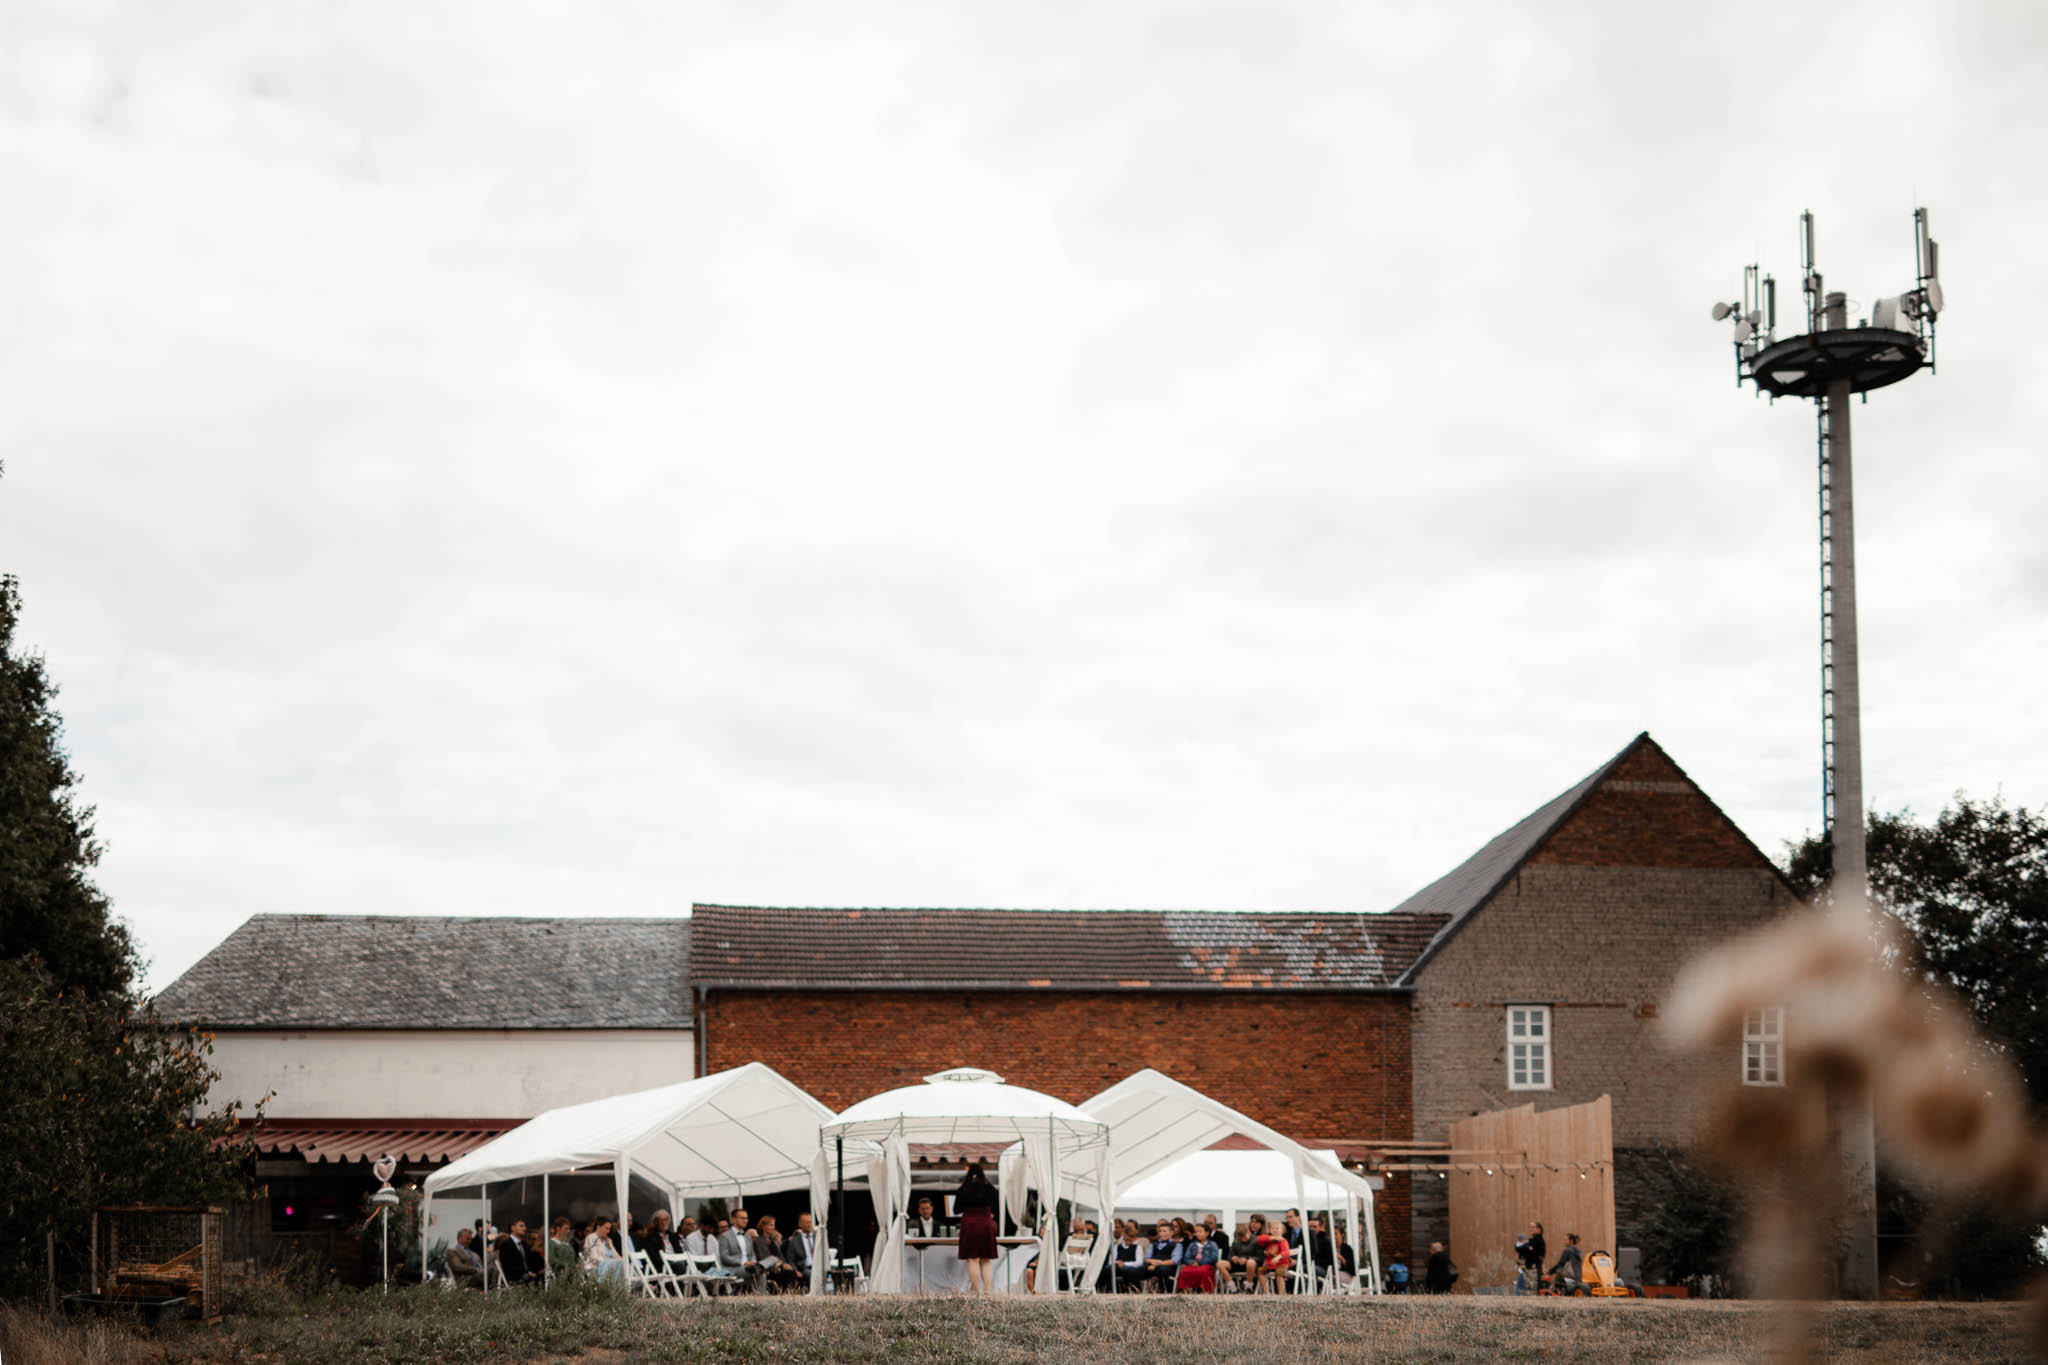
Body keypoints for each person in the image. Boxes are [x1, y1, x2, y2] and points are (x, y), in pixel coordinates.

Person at [954, 1163, 1000, 1295]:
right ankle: (987, 1291)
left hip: (969, 1225)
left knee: (972, 1259)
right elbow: (996, 1210)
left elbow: (956, 1209)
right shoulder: (990, 1188)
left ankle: (976, 1291)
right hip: (986, 1224)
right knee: (986, 1259)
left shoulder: (963, 1189)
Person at [721, 1207, 762, 1290]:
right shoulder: (725, 1236)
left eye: (746, 1218)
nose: (745, 1220)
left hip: (750, 1267)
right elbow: (724, 1257)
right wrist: (743, 1262)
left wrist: (753, 1262)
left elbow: (752, 1254)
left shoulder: (747, 1236)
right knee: (758, 1270)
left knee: (761, 1270)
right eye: (742, 1218)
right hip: (733, 1269)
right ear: (733, 1219)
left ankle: (761, 1297)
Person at [1224, 1214, 1268, 1291]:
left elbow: (1261, 1256)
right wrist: (1233, 1258)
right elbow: (1231, 1254)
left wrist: (1247, 1259)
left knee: (1251, 1263)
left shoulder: (1261, 1238)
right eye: (1252, 1222)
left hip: (1256, 1263)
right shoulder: (1239, 1236)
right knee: (1221, 1263)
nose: (1254, 1224)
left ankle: (1249, 1286)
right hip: (1239, 1263)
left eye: (1257, 1222)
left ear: (1262, 1224)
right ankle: (1232, 1286)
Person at [1174, 1222, 1221, 1293]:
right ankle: (1186, 1291)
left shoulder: (1212, 1244)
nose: (1197, 1234)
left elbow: (1214, 1257)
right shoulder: (1192, 1244)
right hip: (1193, 1265)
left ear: (1207, 1233)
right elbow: (1186, 1257)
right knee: (1185, 1271)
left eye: (1200, 1231)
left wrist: (1199, 1262)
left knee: (1204, 1271)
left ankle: (1205, 1291)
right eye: (1196, 1232)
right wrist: (1192, 1262)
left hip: (1207, 1265)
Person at [496, 1218, 540, 1285]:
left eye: (525, 1226)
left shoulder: (525, 1245)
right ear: (513, 1228)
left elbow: (531, 1261)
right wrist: (527, 1274)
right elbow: (508, 1266)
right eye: (521, 1226)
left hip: (528, 1277)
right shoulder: (506, 1245)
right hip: (516, 1279)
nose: (524, 1228)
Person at [582, 1216, 625, 1283]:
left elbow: (616, 1255)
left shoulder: (608, 1240)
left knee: (623, 1262)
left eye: (609, 1229)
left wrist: (619, 1259)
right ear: (598, 1227)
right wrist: (609, 1262)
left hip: (610, 1267)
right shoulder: (591, 1238)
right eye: (606, 1228)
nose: (608, 1231)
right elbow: (594, 1258)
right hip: (595, 1268)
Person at [783, 1212, 819, 1291]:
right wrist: (795, 1270)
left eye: (810, 1222)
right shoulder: (794, 1241)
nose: (809, 1225)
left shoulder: (818, 1238)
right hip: (804, 1268)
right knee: (810, 1274)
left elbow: (827, 1255)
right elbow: (790, 1260)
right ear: (800, 1224)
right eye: (806, 1222)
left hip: (819, 1266)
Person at [1142, 1219, 1181, 1291]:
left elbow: (1174, 1260)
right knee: (1138, 1269)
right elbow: (1147, 1258)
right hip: (1153, 1266)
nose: (1161, 1233)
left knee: (1162, 1270)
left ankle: (1164, 1292)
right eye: (1160, 1231)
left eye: (1164, 1231)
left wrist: (1157, 1264)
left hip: (1168, 1267)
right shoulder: (1153, 1243)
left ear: (1172, 1232)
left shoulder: (1177, 1245)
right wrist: (1153, 1263)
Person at [1107, 1222, 1147, 1292]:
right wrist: (1117, 1263)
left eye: (1131, 1237)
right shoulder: (1117, 1247)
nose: (1128, 1239)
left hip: (1130, 1268)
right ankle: (1108, 1290)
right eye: (1126, 1237)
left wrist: (1124, 1264)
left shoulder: (1137, 1247)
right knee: (1107, 1269)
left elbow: (1139, 1262)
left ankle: (1133, 1290)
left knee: (1130, 1271)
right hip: (1117, 1267)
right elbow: (1111, 1261)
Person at [1515, 1221, 1546, 1294]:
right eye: (1530, 1227)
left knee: (1528, 1291)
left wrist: (1524, 1247)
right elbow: (1519, 1248)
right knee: (1523, 1290)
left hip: (1533, 1271)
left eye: (1533, 1227)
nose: (1531, 1229)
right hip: (1529, 1269)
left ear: (1539, 1229)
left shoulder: (1538, 1241)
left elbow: (1522, 1249)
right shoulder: (1532, 1241)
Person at [547, 1216, 577, 1281]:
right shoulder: (551, 1243)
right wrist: (566, 1265)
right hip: (556, 1278)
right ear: (558, 1228)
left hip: (570, 1278)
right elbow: (551, 1260)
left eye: (569, 1229)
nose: (568, 1231)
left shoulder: (568, 1245)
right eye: (566, 1229)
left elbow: (573, 1261)